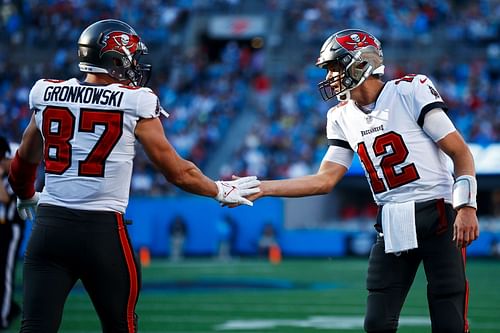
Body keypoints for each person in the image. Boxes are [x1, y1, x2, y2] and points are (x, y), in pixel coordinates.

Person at [8, 19, 260, 333]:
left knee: (35, 327)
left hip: (49, 228)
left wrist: (27, 195)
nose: (136, 66)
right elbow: (177, 173)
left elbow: (22, 163)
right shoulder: (134, 101)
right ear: (115, 59)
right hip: (101, 232)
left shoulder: (47, 93)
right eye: (131, 58)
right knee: (120, 327)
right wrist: (219, 190)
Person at [244, 29, 479, 333]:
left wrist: (466, 207)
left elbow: (460, 153)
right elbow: (324, 180)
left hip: (438, 213)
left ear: (360, 64)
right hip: (392, 217)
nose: (330, 76)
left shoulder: (410, 91)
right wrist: (264, 187)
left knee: (448, 316)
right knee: (377, 322)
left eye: (334, 67)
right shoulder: (340, 116)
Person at [0, 137, 24, 330]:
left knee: (6, 274)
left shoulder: (17, 176)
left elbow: (6, 199)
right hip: (4, 228)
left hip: (11, 229)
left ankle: (5, 314)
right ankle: (9, 308)